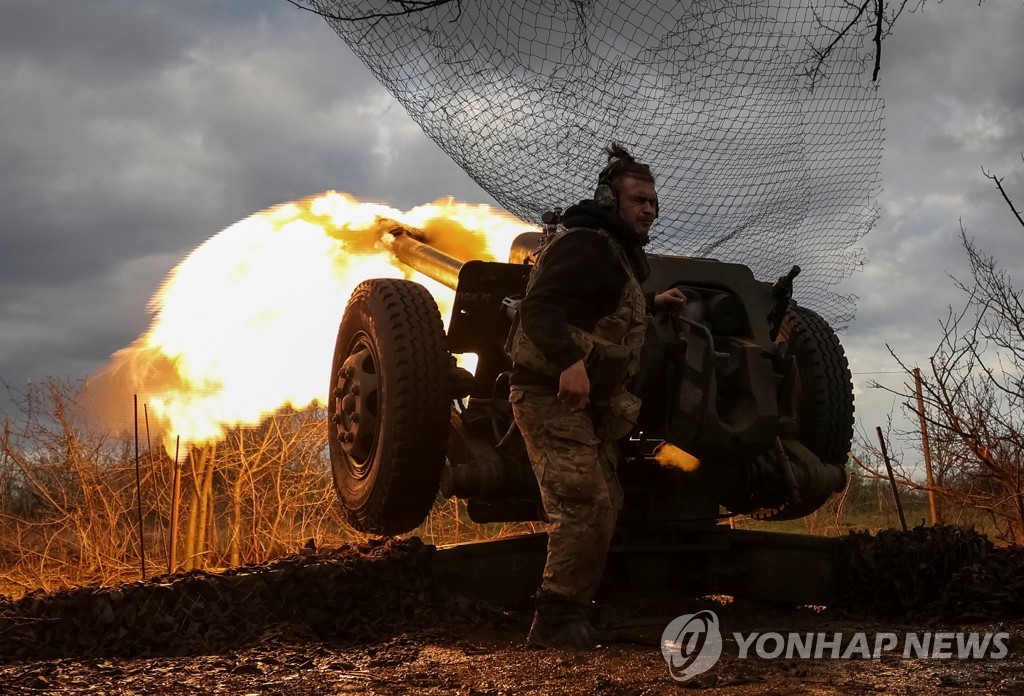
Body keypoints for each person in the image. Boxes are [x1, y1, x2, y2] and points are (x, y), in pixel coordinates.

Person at [507, 143, 686, 649]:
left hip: (588, 409)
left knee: (604, 503)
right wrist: (569, 363)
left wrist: (652, 304)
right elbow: (539, 309)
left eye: (653, 201)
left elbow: (599, 312)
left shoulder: (614, 253)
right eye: (638, 200)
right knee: (583, 503)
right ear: (611, 201)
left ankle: (573, 611)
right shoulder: (585, 244)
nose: (649, 209)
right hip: (549, 396)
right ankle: (555, 622)